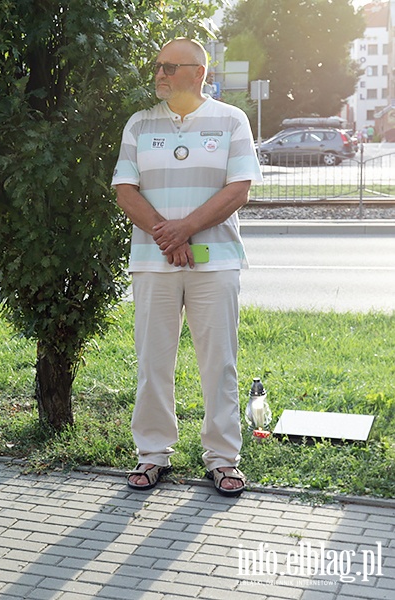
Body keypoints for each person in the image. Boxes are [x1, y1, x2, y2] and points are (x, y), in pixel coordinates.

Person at [111, 38, 263, 497]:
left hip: (216, 263)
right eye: (157, 66)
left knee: (219, 363)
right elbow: (124, 191)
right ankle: (153, 455)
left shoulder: (232, 120)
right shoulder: (139, 124)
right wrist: (166, 232)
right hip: (153, 263)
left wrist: (186, 229)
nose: (159, 73)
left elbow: (239, 189)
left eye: (170, 67)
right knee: (152, 362)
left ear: (198, 72)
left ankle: (222, 460)